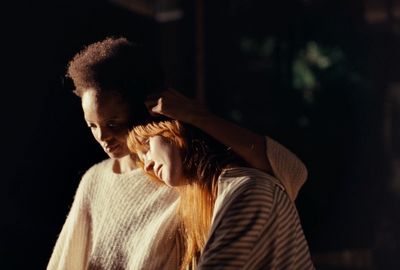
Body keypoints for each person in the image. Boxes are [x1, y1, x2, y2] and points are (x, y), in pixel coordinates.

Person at [47, 36, 309, 269]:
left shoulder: (190, 179)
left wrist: (198, 116)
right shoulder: (96, 181)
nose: (102, 137)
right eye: (92, 125)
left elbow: (290, 172)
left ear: (154, 117)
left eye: (113, 124)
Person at [128, 120, 315, 270]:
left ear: (173, 129)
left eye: (147, 147)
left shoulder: (248, 190)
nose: (148, 165)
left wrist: (193, 113)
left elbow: (296, 170)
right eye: (142, 159)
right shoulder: (201, 208)